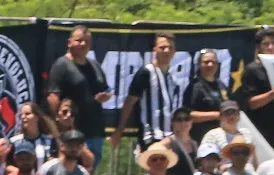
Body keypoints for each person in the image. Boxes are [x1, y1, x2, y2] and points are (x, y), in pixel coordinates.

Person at [44, 25, 112, 166]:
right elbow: (53, 96)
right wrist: (60, 122)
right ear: (69, 43)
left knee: (88, 173)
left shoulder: (94, 65)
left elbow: (107, 89)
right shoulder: (61, 65)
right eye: (79, 40)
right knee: (70, 171)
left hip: (95, 130)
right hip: (73, 131)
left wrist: (106, 96)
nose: (83, 44)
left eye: (87, 41)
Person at [111, 33, 181, 151]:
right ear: (155, 50)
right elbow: (130, 102)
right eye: (162, 47)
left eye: (170, 48)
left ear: (174, 52)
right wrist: (119, 130)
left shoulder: (172, 78)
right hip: (151, 136)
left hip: (170, 137)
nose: (167, 51)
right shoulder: (146, 73)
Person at [183, 49, 229, 130]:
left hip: (221, 135)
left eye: (213, 62)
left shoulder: (221, 85)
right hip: (201, 136)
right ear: (199, 65)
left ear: (217, 65)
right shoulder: (195, 86)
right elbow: (189, 115)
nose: (210, 65)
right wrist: (216, 115)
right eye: (206, 62)